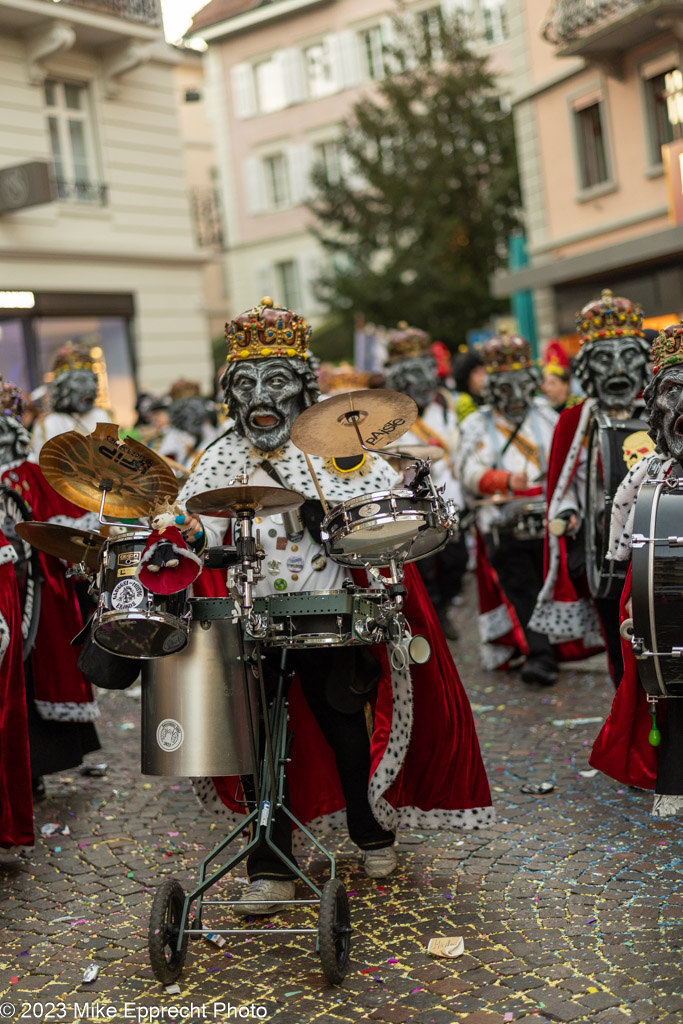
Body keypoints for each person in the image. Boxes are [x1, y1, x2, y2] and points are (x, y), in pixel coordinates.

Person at [179, 297, 493, 914]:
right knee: (258, 735)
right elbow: (197, 530)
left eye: (275, 381)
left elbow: (390, 519)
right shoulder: (219, 455)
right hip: (252, 618)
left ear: (302, 388)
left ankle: (368, 827)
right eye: (245, 383)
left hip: (329, 608)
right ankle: (271, 864)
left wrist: (344, 523)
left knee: (342, 722)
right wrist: (189, 542)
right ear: (231, 395)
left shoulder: (334, 448)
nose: (260, 396)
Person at [529, 291, 652, 685]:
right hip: (604, 550)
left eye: (627, 356)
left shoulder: (660, 410)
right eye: (604, 358)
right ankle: (626, 704)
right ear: (587, 368)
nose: (617, 368)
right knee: (621, 639)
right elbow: (566, 482)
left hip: (656, 540)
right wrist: (565, 513)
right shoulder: (575, 421)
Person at [590, 320, 683, 815]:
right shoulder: (649, 470)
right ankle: (670, 781)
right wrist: (624, 587)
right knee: (670, 686)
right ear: (654, 407)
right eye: (674, 393)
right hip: (662, 595)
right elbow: (623, 528)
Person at [0, 377, 101, 795]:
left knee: (29, 670)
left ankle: (35, 767)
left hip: (28, 588)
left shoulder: (29, 475)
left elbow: (65, 522)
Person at [457, 333, 559, 684]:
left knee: (549, 587)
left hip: (547, 521)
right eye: (506, 388)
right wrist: (503, 479)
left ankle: (547, 647)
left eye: (520, 386)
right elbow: (467, 472)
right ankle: (540, 655)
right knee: (522, 590)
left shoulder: (546, 417)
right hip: (504, 522)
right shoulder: (476, 425)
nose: (515, 397)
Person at [383, 322, 466, 639]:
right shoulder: (389, 412)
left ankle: (444, 607)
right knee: (426, 566)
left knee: (456, 560)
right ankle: (434, 619)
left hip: (450, 495)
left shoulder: (445, 403)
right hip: (412, 500)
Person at [30, 343, 109, 458]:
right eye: (80, 380)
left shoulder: (101, 416)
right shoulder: (49, 424)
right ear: (62, 387)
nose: (89, 387)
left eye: (91, 380)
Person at [540, 341, 580, 413]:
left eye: (552, 383)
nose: (546, 388)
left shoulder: (578, 408)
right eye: (545, 383)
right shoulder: (543, 410)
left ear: (566, 385)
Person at [453, 349, 486, 424]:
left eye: (484, 371)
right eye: (476, 372)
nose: (483, 377)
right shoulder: (463, 403)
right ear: (466, 377)